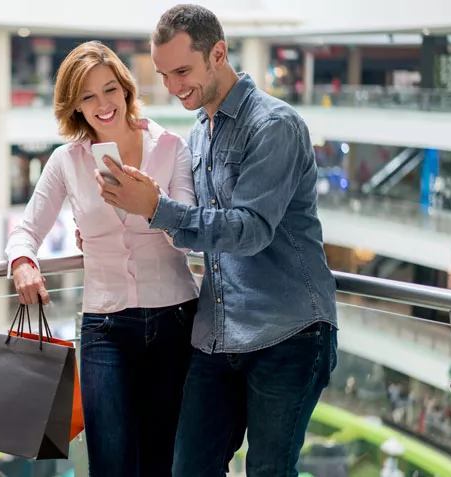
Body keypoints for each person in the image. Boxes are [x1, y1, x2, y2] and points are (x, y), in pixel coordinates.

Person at [94, 5, 338, 476]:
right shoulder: (199, 134)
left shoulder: (274, 125)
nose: (173, 86)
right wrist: (117, 226)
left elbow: (249, 230)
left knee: (267, 471)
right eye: (164, 75)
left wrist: (156, 207)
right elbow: (195, 232)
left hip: (289, 332)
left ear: (218, 54)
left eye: (182, 71)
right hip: (217, 334)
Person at [5, 40, 199, 476]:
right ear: (75, 106)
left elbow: (190, 237)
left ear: (126, 89)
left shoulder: (171, 147)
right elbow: (25, 230)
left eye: (110, 89)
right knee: (110, 464)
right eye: (88, 96)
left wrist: (153, 203)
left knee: (164, 463)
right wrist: (23, 263)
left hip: (175, 320)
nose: (103, 104)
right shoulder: (66, 162)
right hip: (105, 328)